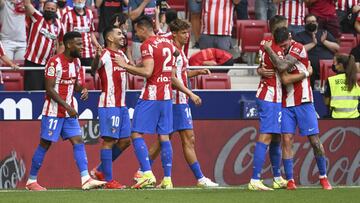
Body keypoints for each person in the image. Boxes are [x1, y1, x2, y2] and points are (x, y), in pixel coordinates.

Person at [114, 16, 201, 189]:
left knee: (136, 134)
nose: (136, 35)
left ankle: (146, 173)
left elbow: (147, 72)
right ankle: (167, 179)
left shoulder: (147, 45)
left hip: (151, 96)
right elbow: (175, 55)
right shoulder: (167, 43)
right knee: (163, 136)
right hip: (167, 97)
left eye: (137, 31)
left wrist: (125, 65)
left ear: (142, 29)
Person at [133, 19, 219, 188]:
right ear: (174, 34)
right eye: (183, 33)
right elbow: (171, 78)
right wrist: (190, 93)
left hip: (181, 100)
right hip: (172, 100)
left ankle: (196, 178)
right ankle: (145, 171)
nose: (187, 36)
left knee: (184, 139)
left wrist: (197, 72)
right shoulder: (169, 50)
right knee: (166, 139)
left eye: (188, 32)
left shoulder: (178, 51)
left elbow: (180, 74)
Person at [25, 31, 106, 191]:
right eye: (78, 44)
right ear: (69, 45)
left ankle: (85, 179)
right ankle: (31, 181)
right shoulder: (54, 63)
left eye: (82, 44)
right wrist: (67, 106)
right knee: (45, 144)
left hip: (69, 112)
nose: (82, 47)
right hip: (53, 112)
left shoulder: (77, 63)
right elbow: (49, 89)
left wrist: (82, 89)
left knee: (78, 141)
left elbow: (74, 85)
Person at [263, 27, 333, 190]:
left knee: (314, 141)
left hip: (304, 101)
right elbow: (284, 78)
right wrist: (306, 74)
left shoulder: (298, 48)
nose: (282, 48)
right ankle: (290, 180)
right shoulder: (278, 50)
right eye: (280, 46)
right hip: (286, 104)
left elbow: (282, 67)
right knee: (286, 140)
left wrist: (269, 50)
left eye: (284, 45)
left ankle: (323, 176)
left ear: (289, 38)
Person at [248, 15, 289, 191]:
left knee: (276, 137)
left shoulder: (265, 43)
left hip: (273, 94)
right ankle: (255, 179)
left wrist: (259, 70)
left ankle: (277, 177)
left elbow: (262, 65)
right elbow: (282, 67)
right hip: (269, 95)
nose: (287, 31)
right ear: (277, 29)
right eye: (284, 27)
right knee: (266, 135)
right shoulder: (275, 49)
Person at [89, 26, 131, 189]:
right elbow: (94, 69)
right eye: (119, 34)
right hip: (109, 103)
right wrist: (96, 57)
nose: (123, 36)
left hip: (122, 105)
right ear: (109, 38)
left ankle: (100, 170)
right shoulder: (105, 53)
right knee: (109, 141)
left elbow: (132, 68)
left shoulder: (121, 55)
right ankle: (108, 180)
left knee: (126, 141)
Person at [23, 0, 64, 90]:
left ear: (56, 10)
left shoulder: (60, 25)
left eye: (52, 9)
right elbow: (27, 4)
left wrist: (58, 58)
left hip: (49, 65)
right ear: (43, 8)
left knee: (48, 91)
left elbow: (61, 43)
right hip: (33, 62)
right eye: (48, 8)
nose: (50, 10)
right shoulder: (37, 17)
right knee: (33, 91)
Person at [293, 14, 339, 88]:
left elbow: (337, 48)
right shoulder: (299, 35)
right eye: (308, 22)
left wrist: (324, 42)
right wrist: (313, 44)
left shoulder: (324, 33)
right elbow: (297, 50)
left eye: (313, 21)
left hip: (327, 67)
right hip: (309, 68)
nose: (311, 23)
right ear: (305, 24)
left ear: (317, 23)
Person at [62, 0, 101, 67]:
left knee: (89, 75)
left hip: (88, 53)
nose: (79, 1)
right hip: (74, 52)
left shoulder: (89, 13)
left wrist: (97, 44)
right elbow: (63, 35)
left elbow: (91, 32)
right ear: (73, 1)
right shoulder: (67, 15)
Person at [324, 54, 360, 118]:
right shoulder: (355, 80)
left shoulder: (331, 80)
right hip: (355, 117)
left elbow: (326, 102)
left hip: (336, 117)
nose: (333, 65)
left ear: (340, 65)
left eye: (334, 63)